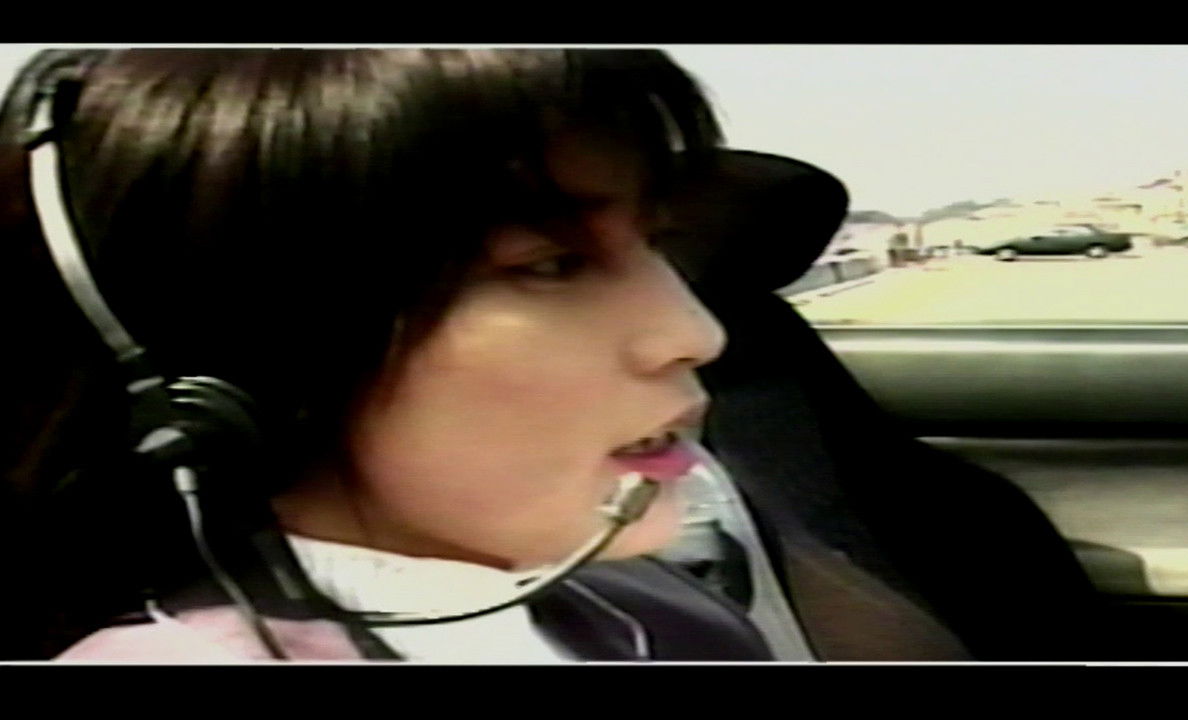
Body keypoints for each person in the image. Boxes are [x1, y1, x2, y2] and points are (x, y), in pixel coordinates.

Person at [0, 48, 775, 662]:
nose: (694, 333)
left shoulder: (666, 619)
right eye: (550, 264)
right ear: (256, 340)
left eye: (659, 244)